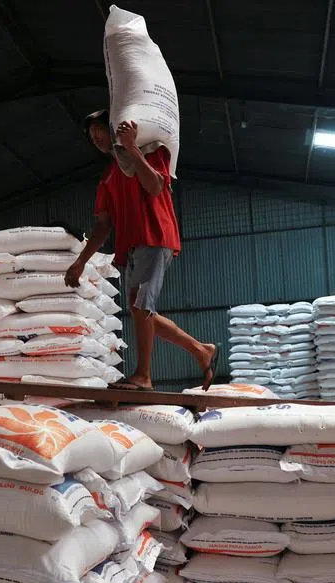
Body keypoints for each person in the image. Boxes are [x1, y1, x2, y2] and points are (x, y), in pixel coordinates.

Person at [65, 109, 217, 391]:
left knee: (141, 307)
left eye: (99, 131)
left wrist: (133, 148)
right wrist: (80, 262)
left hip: (155, 235)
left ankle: (144, 376)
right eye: (92, 138)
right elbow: (102, 227)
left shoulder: (150, 152)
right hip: (132, 245)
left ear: (113, 129)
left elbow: (156, 186)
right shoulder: (109, 177)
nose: (96, 139)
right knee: (140, 311)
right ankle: (201, 350)